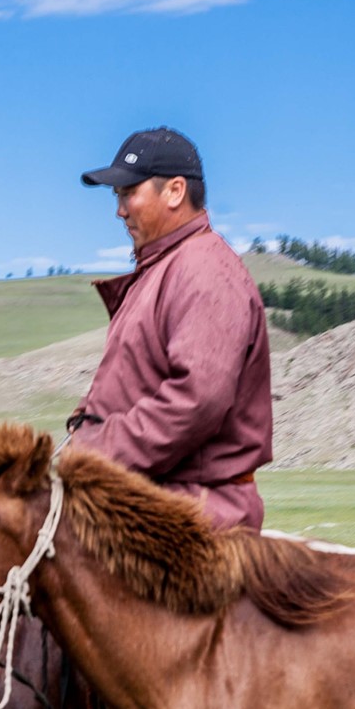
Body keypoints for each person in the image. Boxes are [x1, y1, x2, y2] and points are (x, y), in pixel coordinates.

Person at [66, 127, 273, 531]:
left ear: (175, 191)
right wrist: (85, 422)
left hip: (193, 517)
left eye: (129, 193)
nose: (119, 211)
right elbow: (134, 379)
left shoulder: (204, 272)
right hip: (155, 502)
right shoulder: (165, 269)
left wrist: (96, 450)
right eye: (116, 196)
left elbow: (198, 399)